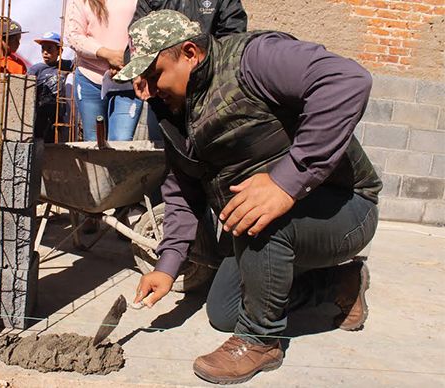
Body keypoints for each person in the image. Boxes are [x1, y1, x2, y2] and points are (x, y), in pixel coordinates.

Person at [115, 10, 382, 384]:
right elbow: (182, 188)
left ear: (190, 53)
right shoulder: (176, 111)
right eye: (141, 78)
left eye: (154, 73)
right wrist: (167, 264)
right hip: (275, 221)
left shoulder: (252, 59)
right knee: (224, 311)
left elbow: (347, 81)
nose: (150, 87)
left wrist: (285, 182)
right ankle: (340, 284)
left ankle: (262, 342)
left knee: (262, 218)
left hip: (345, 207)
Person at [65, 0, 143, 142]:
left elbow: (147, 28)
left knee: (122, 141)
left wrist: (125, 59)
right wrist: (108, 55)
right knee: (94, 141)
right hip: (89, 80)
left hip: (128, 78)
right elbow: (73, 36)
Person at [28, 32, 73, 142]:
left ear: (60, 51)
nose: (45, 52)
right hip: (41, 111)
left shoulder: (66, 65)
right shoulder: (36, 70)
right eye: (43, 49)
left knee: (55, 139)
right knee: (39, 137)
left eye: (50, 49)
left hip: (58, 113)